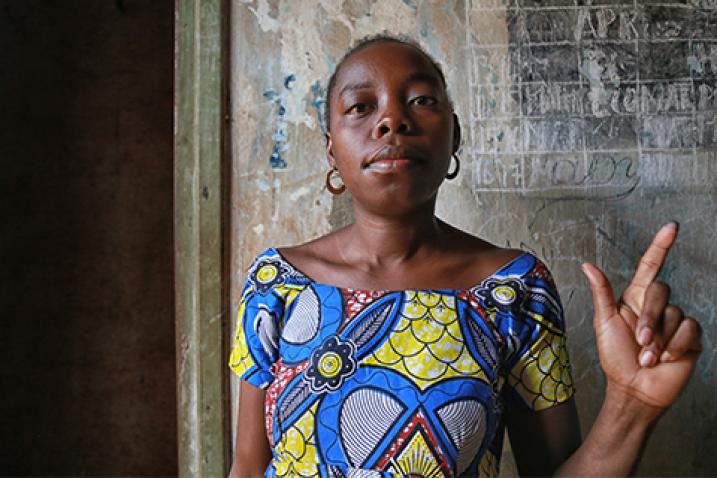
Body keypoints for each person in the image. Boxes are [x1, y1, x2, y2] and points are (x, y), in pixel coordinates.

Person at [228, 35, 702, 478]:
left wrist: (631, 407)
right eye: (360, 107)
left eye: (421, 100)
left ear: (453, 135)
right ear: (331, 148)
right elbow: (246, 469)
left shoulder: (514, 287)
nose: (392, 120)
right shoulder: (277, 281)